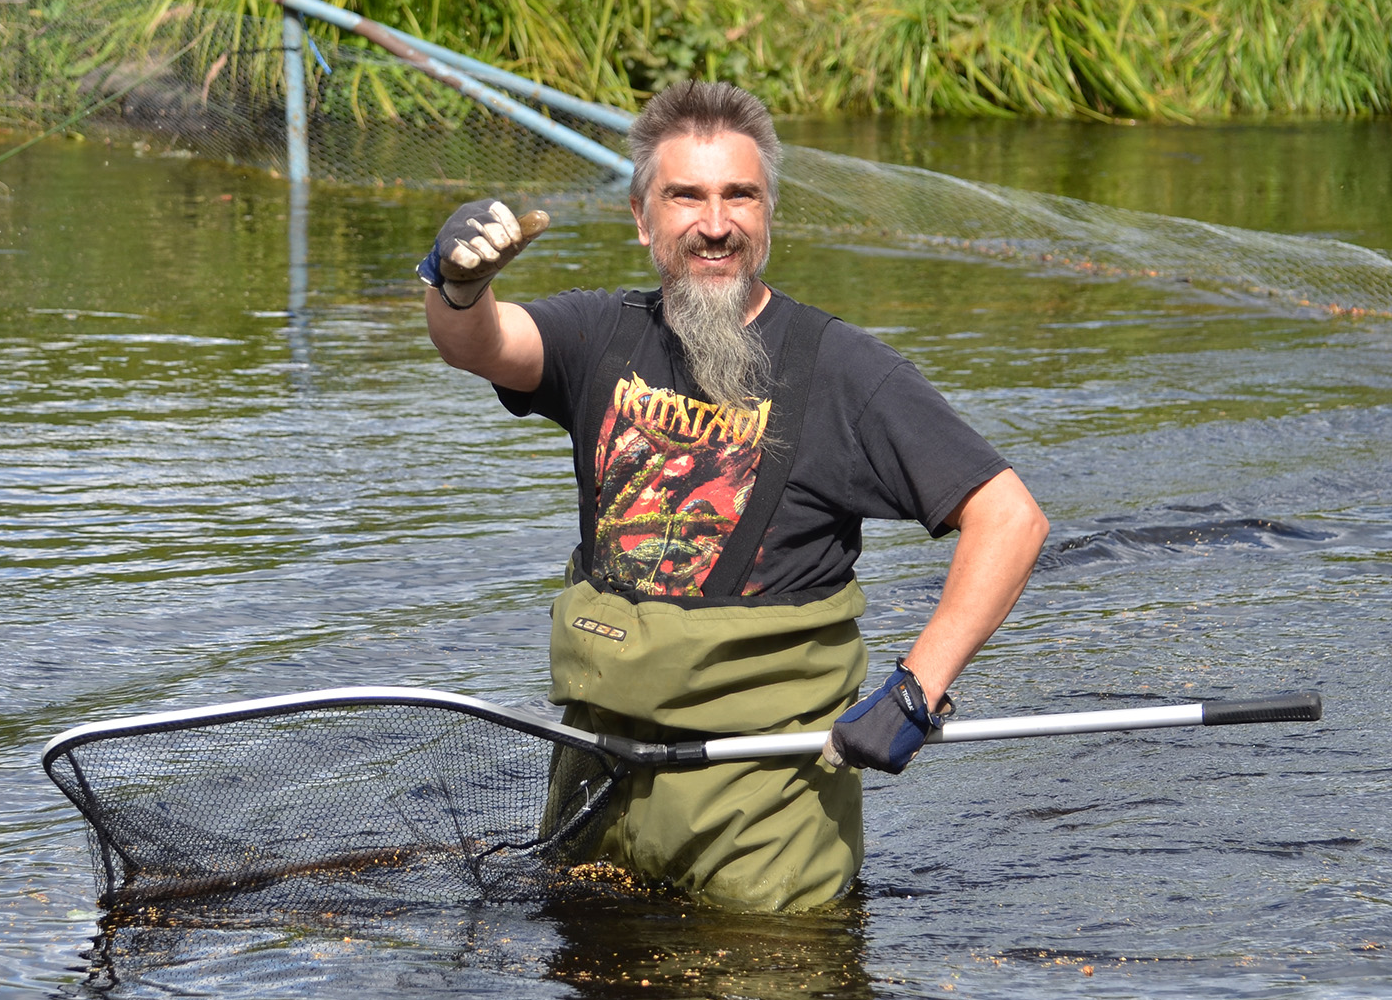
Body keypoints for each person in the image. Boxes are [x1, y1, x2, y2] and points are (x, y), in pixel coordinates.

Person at [419, 81, 1048, 911]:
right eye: (686, 195)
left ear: (768, 216)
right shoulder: (599, 334)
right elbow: (481, 344)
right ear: (642, 220)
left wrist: (915, 689)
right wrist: (456, 285)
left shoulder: (844, 371)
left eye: (738, 195)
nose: (714, 223)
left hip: (763, 803)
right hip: (598, 775)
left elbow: (1009, 517)